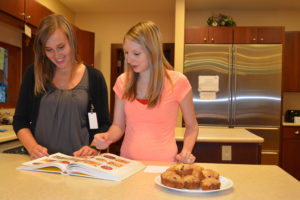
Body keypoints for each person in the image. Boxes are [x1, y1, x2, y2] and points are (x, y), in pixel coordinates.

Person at [93, 21, 198, 163]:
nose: (129, 59)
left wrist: (186, 151)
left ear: (153, 51)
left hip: (163, 164)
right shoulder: (122, 82)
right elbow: (118, 126)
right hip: (127, 164)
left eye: (136, 53)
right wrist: (107, 137)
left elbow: (192, 126)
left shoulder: (178, 82)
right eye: (126, 52)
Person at [13, 14, 111, 160]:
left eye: (61, 47)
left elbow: (103, 124)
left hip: (80, 165)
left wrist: (93, 148)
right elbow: (20, 120)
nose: (56, 55)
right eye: (49, 49)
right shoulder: (33, 74)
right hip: (42, 163)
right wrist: (32, 147)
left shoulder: (94, 78)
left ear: (71, 41)